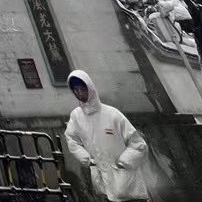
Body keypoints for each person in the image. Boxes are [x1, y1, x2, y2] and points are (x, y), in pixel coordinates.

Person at [63, 70, 149, 202]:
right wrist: (86, 159)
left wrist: (124, 162)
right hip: (102, 182)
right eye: (76, 90)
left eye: (82, 89)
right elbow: (72, 140)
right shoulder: (76, 117)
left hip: (127, 184)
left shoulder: (112, 114)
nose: (80, 93)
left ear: (90, 88)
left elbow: (138, 144)